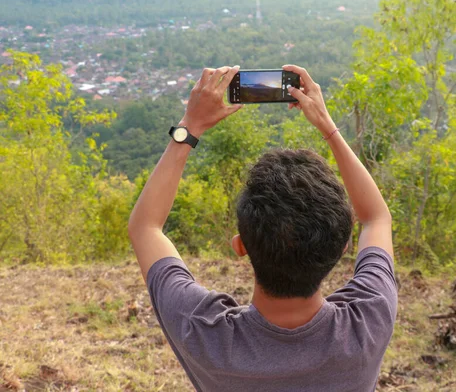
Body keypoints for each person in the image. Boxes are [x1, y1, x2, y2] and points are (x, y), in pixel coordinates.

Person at [128, 64, 397, 392]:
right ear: (344, 247)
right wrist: (328, 128)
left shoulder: (205, 334)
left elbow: (145, 227)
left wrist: (190, 126)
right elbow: (377, 218)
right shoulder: (367, 325)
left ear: (240, 246)